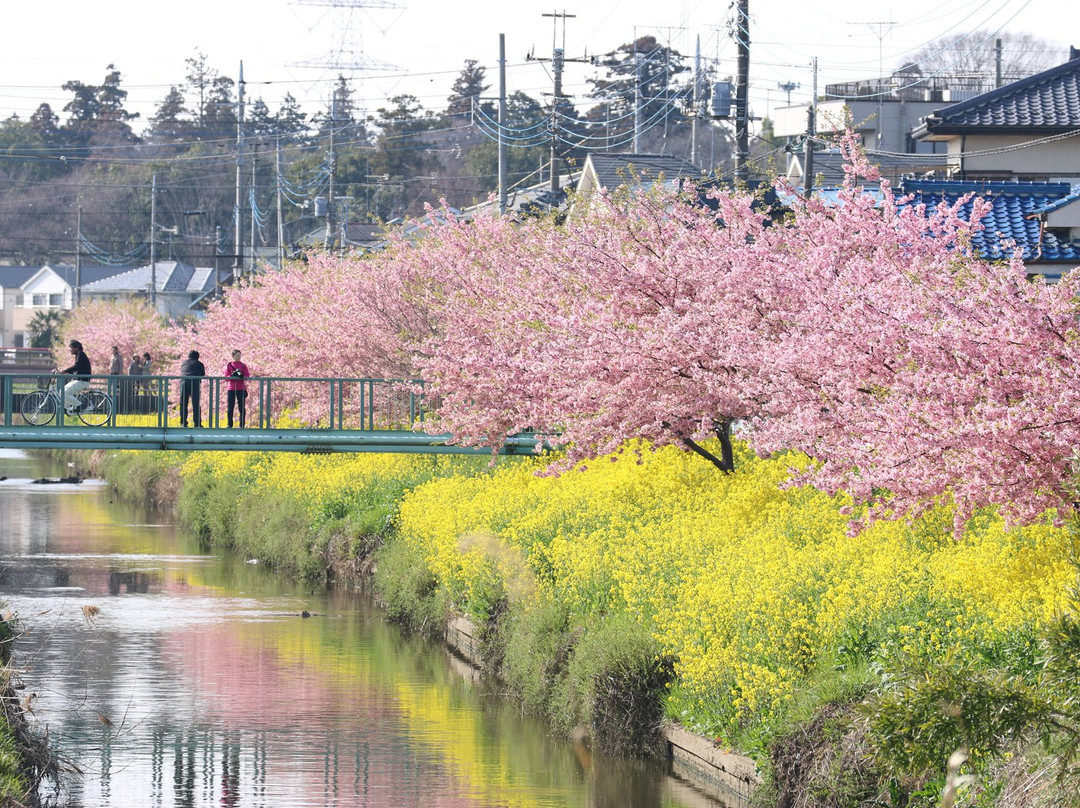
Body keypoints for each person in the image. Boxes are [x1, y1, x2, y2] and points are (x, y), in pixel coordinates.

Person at [59, 339, 91, 414]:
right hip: (79, 380)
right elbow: (78, 367)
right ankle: (67, 409)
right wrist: (66, 371)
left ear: (76, 348)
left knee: (64, 393)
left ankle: (79, 405)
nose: (70, 350)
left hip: (82, 381)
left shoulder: (80, 354)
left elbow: (77, 366)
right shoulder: (79, 354)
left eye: (71, 348)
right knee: (61, 392)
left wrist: (65, 371)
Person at [178, 350, 206, 428]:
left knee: (183, 403)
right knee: (196, 403)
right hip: (194, 382)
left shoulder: (184, 363)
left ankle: (183, 423)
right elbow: (202, 375)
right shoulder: (199, 364)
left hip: (183, 381)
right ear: (197, 357)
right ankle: (197, 423)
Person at [225, 350, 250, 428]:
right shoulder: (229, 365)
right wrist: (232, 375)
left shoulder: (243, 365)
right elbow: (226, 377)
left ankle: (242, 424)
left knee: (241, 407)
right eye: (237, 355)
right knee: (230, 407)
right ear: (233, 356)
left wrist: (241, 375)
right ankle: (229, 424)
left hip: (241, 388)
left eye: (239, 355)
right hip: (231, 388)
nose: (238, 357)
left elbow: (247, 375)